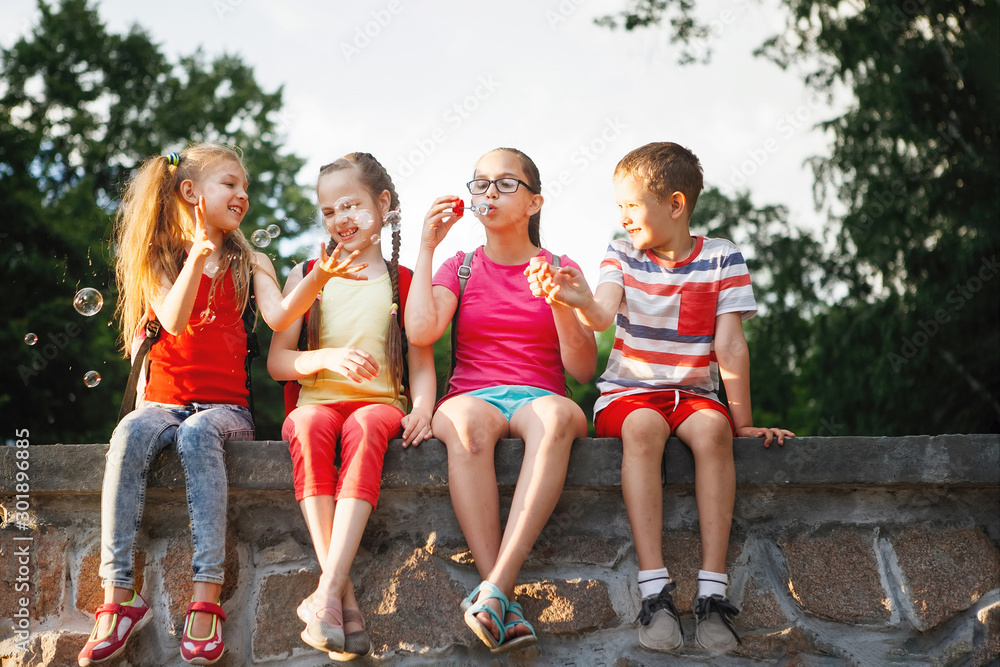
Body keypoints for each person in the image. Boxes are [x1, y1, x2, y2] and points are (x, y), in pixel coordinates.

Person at [78, 143, 360, 667]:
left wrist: (319, 275)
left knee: (197, 433)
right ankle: (118, 597)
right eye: (230, 183)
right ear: (191, 192)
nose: (243, 195)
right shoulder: (159, 259)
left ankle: (205, 597)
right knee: (129, 433)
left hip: (224, 410)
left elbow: (278, 316)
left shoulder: (253, 258)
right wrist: (198, 256)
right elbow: (175, 319)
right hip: (162, 401)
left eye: (244, 186)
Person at [526, 142, 795, 654]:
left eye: (632, 205)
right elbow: (602, 314)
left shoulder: (721, 257)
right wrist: (578, 297)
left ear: (675, 204)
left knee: (714, 431)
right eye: (619, 207)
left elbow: (731, 345)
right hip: (629, 394)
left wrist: (744, 424)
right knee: (644, 430)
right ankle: (656, 589)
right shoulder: (620, 253)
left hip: (693, 394)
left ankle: (712, 593)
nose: (623, 217)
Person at [405, 147, 597, 654]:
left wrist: (559, 301)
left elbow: (581, 369)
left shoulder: (560, 266)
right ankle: (501, 598)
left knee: (557, 416)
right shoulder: (460, 266)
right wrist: (426, 246)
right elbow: (421, 329)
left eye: (505, 183)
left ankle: (494, 589)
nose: (489, 191)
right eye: (481, 182)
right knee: (466, 424)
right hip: (472, 396)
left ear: (534, 203)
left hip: (542, 396)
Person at [267, 152, 436, 660]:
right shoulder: (306, 275)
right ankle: (342, 600)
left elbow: (421, 363)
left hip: (379, 405)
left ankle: (326, 594)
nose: (339, 219)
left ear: (382, 205)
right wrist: (328, 357)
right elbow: (279, 362)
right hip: (317, 402)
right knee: (309, 421)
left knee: (365, 424)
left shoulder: (402, 281)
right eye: (327, 211)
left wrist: (425, 406)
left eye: (350, 205)